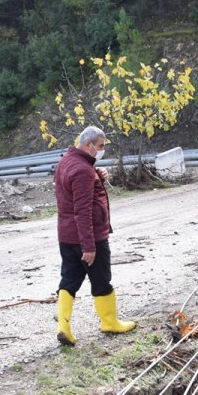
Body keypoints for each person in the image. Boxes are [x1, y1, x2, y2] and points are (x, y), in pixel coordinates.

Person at [54, 125, 136, 346]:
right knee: (101, 280)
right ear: (88, 145)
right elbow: (83, 210)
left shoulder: (67, 161)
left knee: (69, 280)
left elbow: (72, 190)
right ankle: (109, 322)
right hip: (88, 237)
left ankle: (63, 325)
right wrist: (89, 246)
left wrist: (96, 175)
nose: (102, 151)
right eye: (100, 146)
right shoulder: (82, 170)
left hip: (67, 235)